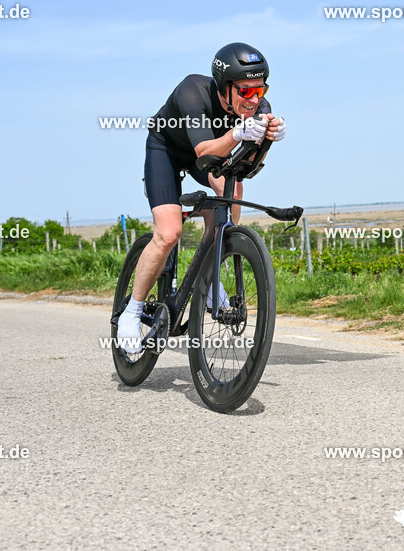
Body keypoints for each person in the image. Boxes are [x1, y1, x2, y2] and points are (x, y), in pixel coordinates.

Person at [116, 42, 286, 352]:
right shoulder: (192, 93)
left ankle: (209, 279)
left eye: (260, 90)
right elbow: (204, 151)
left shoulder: (260, 108)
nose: (254, 100)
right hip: (167, 151)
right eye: (246, 91)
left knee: (234, 190)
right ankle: (133, 310)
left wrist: (267, 141)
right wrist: (237, 134)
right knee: (169, 233)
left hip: (210, 152)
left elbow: (245, 168)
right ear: (224, 87)